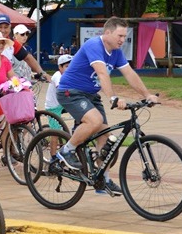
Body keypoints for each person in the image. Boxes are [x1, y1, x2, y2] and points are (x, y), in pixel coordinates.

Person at [55, 17, 160, 196]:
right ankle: (67, 150)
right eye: (119, 35)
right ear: (108, 32)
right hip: (70, 92)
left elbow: (129, 74)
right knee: (95, 121)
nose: (122, 40)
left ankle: (103, 180)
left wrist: (147, 95)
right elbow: (102, 73)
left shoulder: (117, 52)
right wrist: (112, 98)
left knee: (104, 136)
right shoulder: (94, 46)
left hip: (91, 95)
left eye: (124, 36)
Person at [0, 14, 48, 83]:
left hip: (10, 84)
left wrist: (42, 73)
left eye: (27, 34)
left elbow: (28, 58)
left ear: (10, 28)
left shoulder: (14, 45)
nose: (3, 30)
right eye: (0, 27)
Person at [46, 54, 72, 157]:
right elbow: (62, 89)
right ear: (60, 67)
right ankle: (52, 157)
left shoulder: (70, 76)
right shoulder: (57, 75)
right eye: (66, 66)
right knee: (55, 132)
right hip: (53, 107)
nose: (69, 69)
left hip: (62, 104)